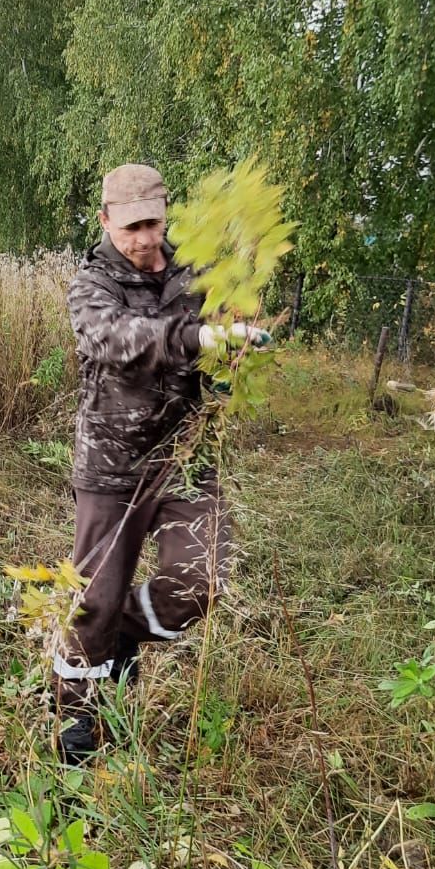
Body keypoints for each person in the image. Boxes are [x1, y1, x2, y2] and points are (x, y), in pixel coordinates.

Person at [54, 165, 268, 762]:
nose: (145, 238)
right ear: (105, 221)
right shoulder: (90, 284)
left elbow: (216, 349)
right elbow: (116, 339)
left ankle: (121, 635)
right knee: (93, 598)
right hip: (111, 465)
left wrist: (232, 354)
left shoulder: (192, 271)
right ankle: (77, 723)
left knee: (202, 580)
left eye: (153, 222)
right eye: (131, 227)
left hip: (183, 459)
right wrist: (197, 339)